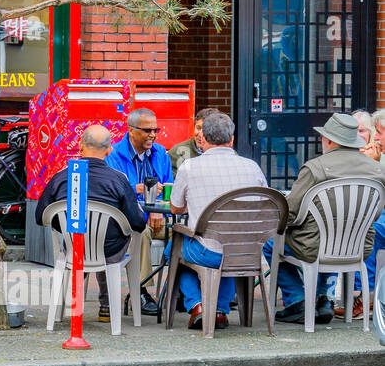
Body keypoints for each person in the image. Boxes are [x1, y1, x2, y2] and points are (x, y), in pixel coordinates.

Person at [263, 113, 385, 325]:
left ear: (328, 140)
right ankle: (324, 299)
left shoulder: (315, 168)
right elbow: (376, 211)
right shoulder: (377, 169)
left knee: (271, 245)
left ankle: (297, 301)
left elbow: (290, 212)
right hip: (357, 245)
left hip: (314, 247)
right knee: (334, 235)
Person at [168, 111, 268, 330]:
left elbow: (176, 207)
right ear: (231, 139)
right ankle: (221, 310)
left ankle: (197, 306)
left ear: (203, 138)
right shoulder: (252, 167)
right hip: (247, 252)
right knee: (231, 243)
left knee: (174, 248)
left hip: (209, 252)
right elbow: (264, 204)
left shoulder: (189, 167)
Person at [35, 124, 147, 320]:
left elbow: (40, 216)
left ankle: (71, 305)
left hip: (72, 248)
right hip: (110, 250)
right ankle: (106, 306)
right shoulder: (118, 179)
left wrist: (64, 227)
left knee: (87, 240)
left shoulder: (61, 177)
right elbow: (138, 223)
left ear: (80, 146)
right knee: (110, 239)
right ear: (109, 150)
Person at [105, 107, 173, 316]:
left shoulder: (160, 153)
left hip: (159, 219)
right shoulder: (114, 155)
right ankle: (140, 291)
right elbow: (115, 194)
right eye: (147, 130)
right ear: (131, 130)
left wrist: (158, 208)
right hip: (130, 222)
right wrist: (136, 189)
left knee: (183, 233)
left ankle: (179, 290)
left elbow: (170, 187)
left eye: (156, 130)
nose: (153, 135)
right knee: (140, 235)